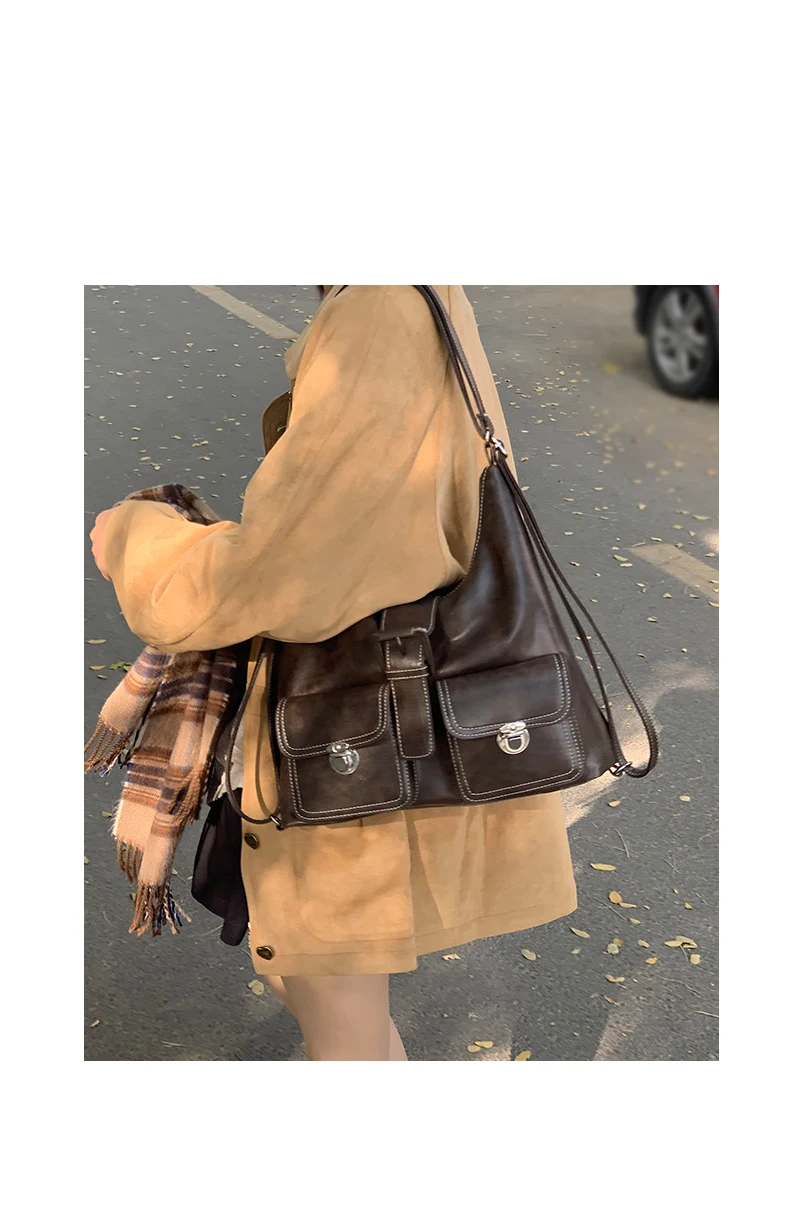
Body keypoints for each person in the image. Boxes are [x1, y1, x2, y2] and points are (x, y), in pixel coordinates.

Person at [90, 284, 578, 1061]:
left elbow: (282, 572)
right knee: (325, 997)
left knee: (335, 1012)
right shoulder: (414, 285)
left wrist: (135, 539)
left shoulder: (377, 305)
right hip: (371, 713)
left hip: (348, 733)